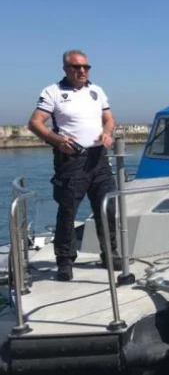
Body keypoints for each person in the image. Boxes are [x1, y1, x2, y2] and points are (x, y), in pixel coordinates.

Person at [27, 50, 123, 281]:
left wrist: (107, 133)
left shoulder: (96, 91)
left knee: (107, 208)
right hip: (72, 160)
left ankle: (110, 254)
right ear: (65, 69)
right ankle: (65, 260)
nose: (82, 71)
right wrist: (57, 140)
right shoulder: (53, 92)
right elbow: (35, 123)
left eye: (85, 67)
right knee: (68, 210)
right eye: (76, 67)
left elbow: (109, 119)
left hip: (99, 158)